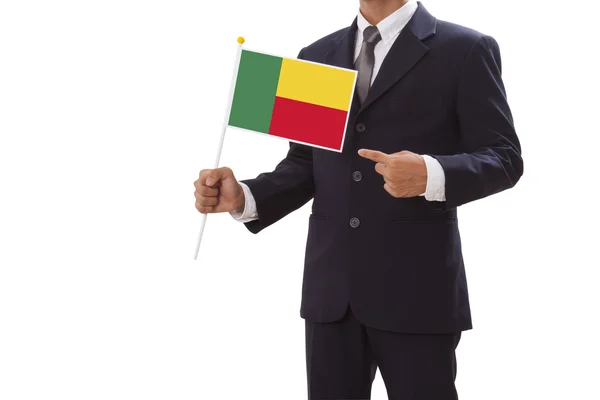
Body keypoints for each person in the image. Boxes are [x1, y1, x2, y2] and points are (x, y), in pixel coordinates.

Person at [193, 0, 523, 398]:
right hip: (331, 292)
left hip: (417, 290)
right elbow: (304, 164)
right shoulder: (317, 56)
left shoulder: (465, 49)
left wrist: (431, 173)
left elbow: (504, 158)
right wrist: (244, 195)